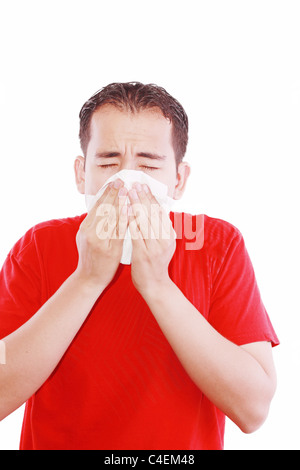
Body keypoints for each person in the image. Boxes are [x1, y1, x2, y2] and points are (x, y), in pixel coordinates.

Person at [0, 82, 279, 450]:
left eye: (148, 164)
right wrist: (87, 279)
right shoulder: (38, 246)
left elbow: (254, 408)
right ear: (82, 173)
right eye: (108, 162)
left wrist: (158, 287)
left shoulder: (217, 245)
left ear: (178, 179)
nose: (126, 182)